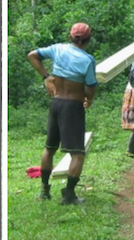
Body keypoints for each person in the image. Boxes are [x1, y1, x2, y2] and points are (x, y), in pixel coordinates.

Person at [28, 22, 98, 204]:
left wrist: (46, 77)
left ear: (70, 37)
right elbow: (91, 86)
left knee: (49, 148)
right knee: (77, 154)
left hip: (56, 103)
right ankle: (69, 194)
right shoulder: (87, 60)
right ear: (88, 40)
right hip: (72, 107)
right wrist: (89, 99)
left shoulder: (58, 49)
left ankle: (44, 190)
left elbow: (32, 55)